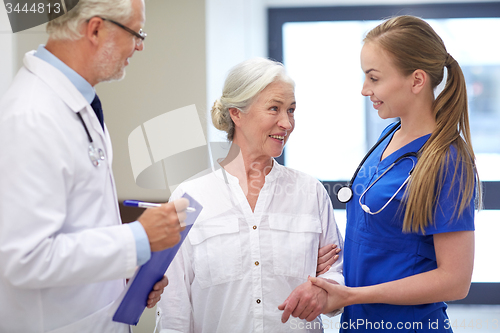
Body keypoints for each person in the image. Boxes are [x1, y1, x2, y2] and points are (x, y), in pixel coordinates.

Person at [0, 0, 189, 332]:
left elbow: (80, 225)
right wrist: (137, 238)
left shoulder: (77, 103)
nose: (140, 46)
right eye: (137, 32)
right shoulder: (31, 116)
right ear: (97, 29)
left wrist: (126, 267)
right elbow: (24, 259)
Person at [303, 15, 480, 332]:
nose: (364, 90)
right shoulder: (389, 135)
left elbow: (455, 281)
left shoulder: (448, 160)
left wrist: (354, 294)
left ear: (416, 80)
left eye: (374, 78)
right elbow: (380, 237)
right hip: (358, 322)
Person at [156, 57, 344, 333]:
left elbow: (336, 273)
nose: (287, 123)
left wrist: (325, 291)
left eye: (291, 110)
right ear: (237, 114)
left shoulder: (310, 192)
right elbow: (174, 308)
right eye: (274, 109)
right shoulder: (190, 197)